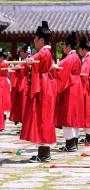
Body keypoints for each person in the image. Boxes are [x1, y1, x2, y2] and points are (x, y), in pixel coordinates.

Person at [20, 21, 57, 163]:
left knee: (42, 117)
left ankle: (43, 154)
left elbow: (31, 61)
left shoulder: (43, 53)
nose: (34, 41)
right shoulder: (48, 52)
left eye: (35, 39)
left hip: (43, 86)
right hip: (46, 86)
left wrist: (27, 62)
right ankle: (43, 152)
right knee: (45, 117)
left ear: (41, 40)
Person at [56, 32, 83, 152]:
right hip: (77, 86)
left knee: (67, 115)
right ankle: (74, 142)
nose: (63, 48)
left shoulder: (70, 58)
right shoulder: (76, 57)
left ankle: (70, 143)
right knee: (74, 115)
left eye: (63, 46)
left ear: (68, 46)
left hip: (70, 88)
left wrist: (53, 66)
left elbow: (61, 68)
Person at [10, 44, 30, 125]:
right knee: (20, 104)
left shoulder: (27, 60)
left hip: (25, 83)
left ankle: (24, 122)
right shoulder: (22, 60)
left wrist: (18, 67)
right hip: (20, 83)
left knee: (24, 104)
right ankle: (21, 121)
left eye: (21, 51)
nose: (20, 53)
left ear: (25, 53)